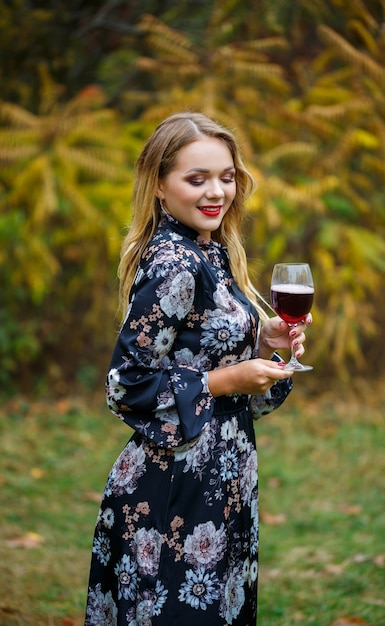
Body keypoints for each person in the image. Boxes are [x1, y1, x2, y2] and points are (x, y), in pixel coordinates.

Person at [84, 111, 311, 626]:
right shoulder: (175, 263)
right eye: (196, 178)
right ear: (160, 186)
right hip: (173, 487)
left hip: (222, 479)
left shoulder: (214, 253)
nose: (217, 192)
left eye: (226, 177)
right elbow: (125, 385)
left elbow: (227, 376)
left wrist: (266, 342)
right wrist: (224, 380)